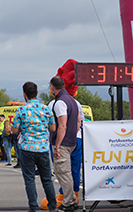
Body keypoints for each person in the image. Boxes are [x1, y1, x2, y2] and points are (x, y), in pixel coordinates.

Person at [12, 81, 57, 212]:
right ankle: (53, 207)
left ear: (24, 94)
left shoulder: (21, 110)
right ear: (37, 93)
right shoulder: (46, 109)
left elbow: (14, 131)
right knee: (47, 180)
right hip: (42, 148)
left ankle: (33, 207)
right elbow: (53, 128)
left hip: (27, 149)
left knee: (29, 180)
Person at [48, 76, 80, 212]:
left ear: (52, 87)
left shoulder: (60, 102)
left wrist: (57, 145)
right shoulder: (73, 100)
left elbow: (62, 126)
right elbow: (78, 121)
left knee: (63, 173)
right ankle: (72, 199)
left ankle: (68, 202)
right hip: (72, 141)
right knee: (68, 172)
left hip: (63, 143)